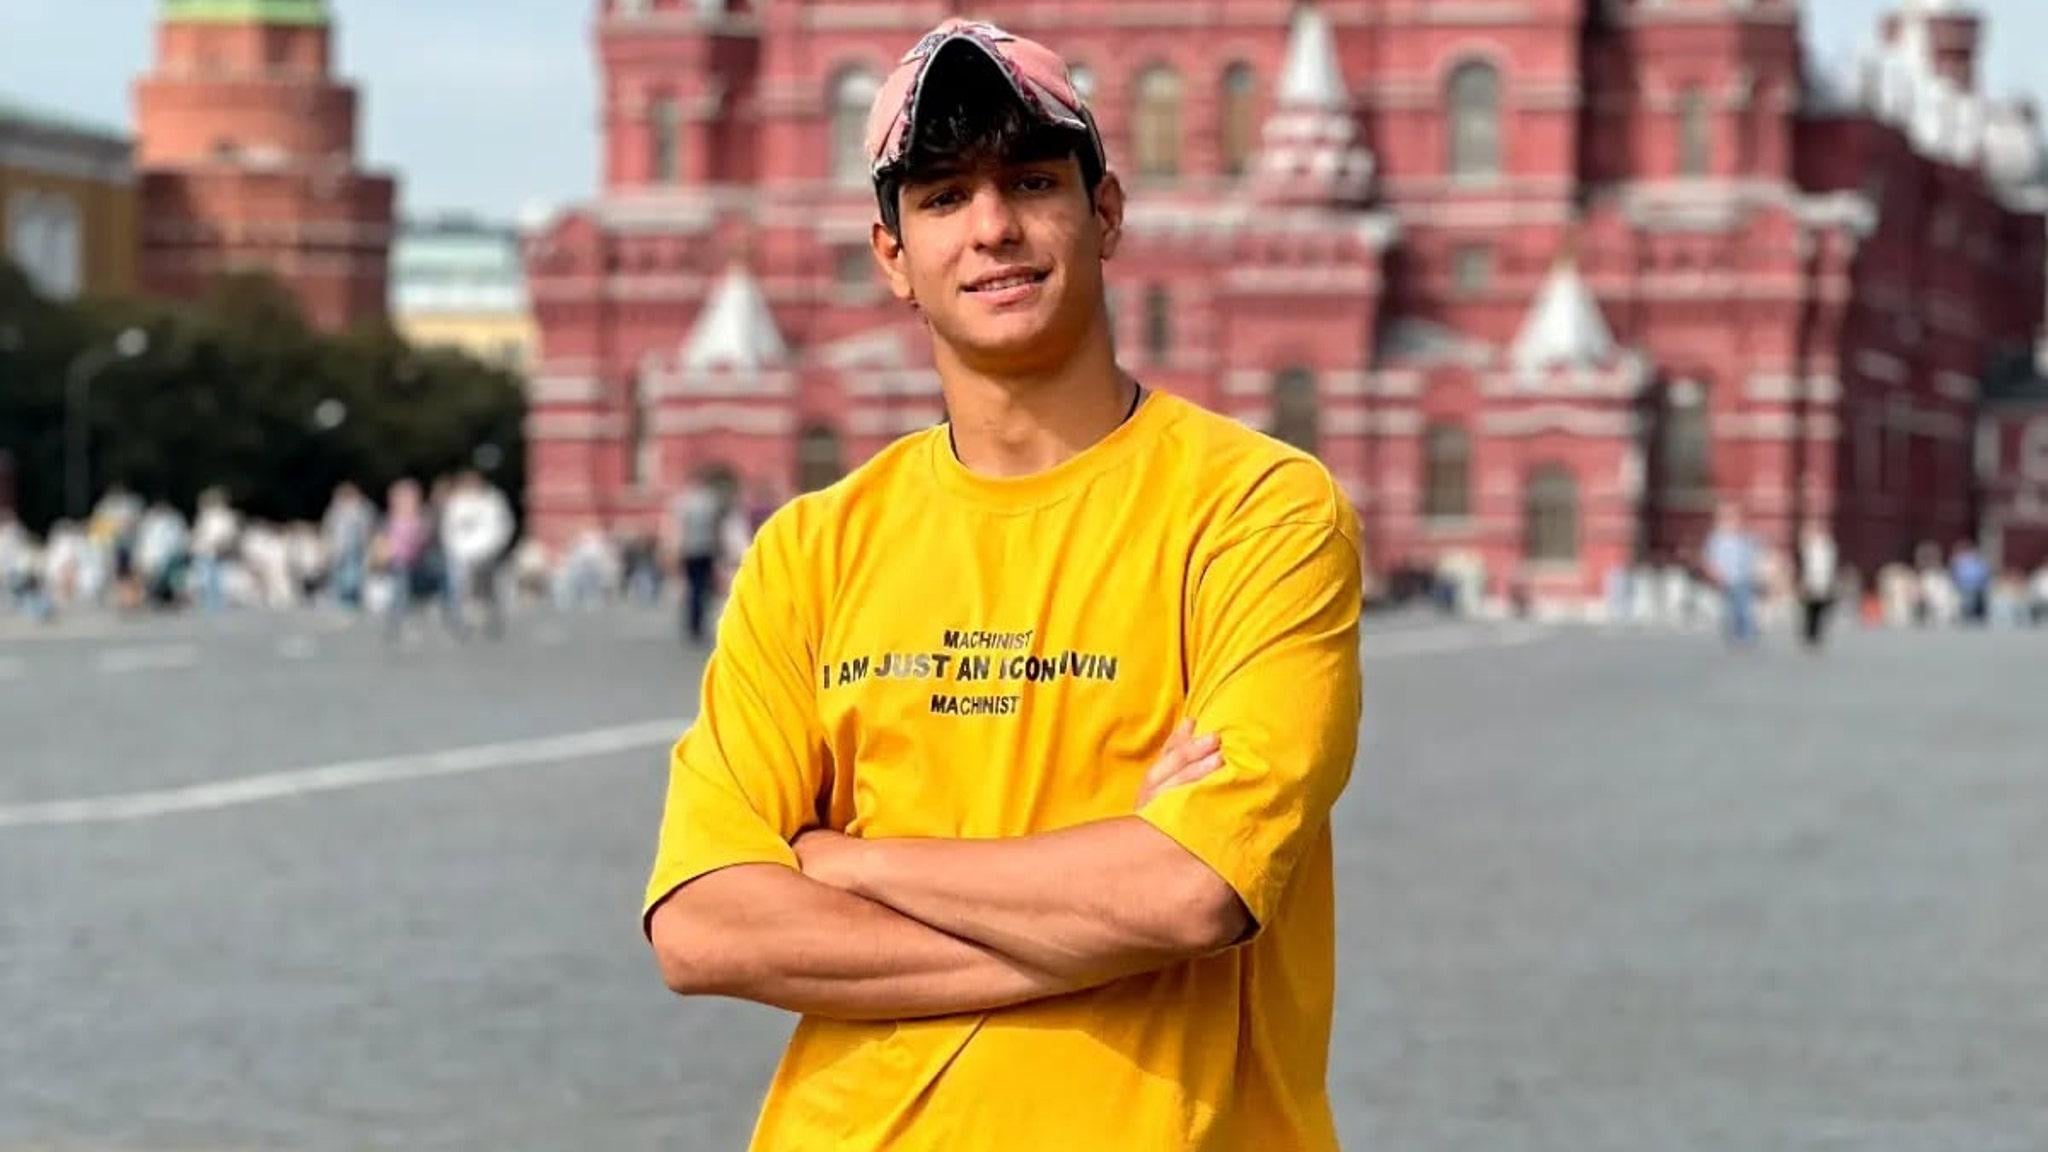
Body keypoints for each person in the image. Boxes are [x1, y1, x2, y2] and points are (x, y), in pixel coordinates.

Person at [640, 20, 1364, 1151]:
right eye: (942, 197)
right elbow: (702, 928)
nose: (991, 228)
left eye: (1030, 182)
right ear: (891, 256)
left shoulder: (1257, 513)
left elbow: (1188, 893)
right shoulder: (812, 550)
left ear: (1105, 212)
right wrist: (1099, 913)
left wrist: (846, 861)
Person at [439, 470, 516, 640]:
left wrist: (496, 547)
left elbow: (504, 526)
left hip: (489, 554)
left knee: (490, 590)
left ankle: (492, 621)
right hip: (462, 556)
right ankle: (463, 623)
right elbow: (448, 530)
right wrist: (455, 551)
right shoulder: (456, 503)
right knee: (463, 590)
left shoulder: (493, 501)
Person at [669, 475, 724, 645]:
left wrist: (674, 550)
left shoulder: (683, 502)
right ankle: (699, 623)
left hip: (689, 550)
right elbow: (717, 529)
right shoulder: (711, 502)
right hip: (707, 550)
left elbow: (678, 528)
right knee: (702, 588)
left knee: (692, 587)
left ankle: (692, 624)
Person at [1704, 503, 1761, 646]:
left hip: (1743, 577)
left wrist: (1755, 571)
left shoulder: (1744, 537)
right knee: (1729, 608)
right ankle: (1734, 633)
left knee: (1744, 607)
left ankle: (1746, 634)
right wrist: (1714, 572)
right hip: (1726, 578)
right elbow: (1710, 557)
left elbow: (1754, 553)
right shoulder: (1717, 538)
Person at [1796, 518, 1839, 651]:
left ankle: (1816, 635)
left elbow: (1831, 564)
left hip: (1823, 580)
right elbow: (1804, 565)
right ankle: (1809, 636)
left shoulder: (1827, 545)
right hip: (1811, 580)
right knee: (1810, 610)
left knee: (1820, 609)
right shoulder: (1809, 546)